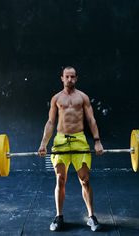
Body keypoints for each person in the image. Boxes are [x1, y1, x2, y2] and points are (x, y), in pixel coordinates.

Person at [38, 66, 104, 232]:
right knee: (60, 179)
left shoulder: (83, 97)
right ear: (62, 78)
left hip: (79, 140)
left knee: (85, 180)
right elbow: (51, 122)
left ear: (76, 78)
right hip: (60, 140)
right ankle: (59, 217)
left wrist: (97, 141)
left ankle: (91, 217)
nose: (69, 80)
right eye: (67, 77)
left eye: (72, 77)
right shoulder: (56, 98)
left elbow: (91, 120)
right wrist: (43, 144)